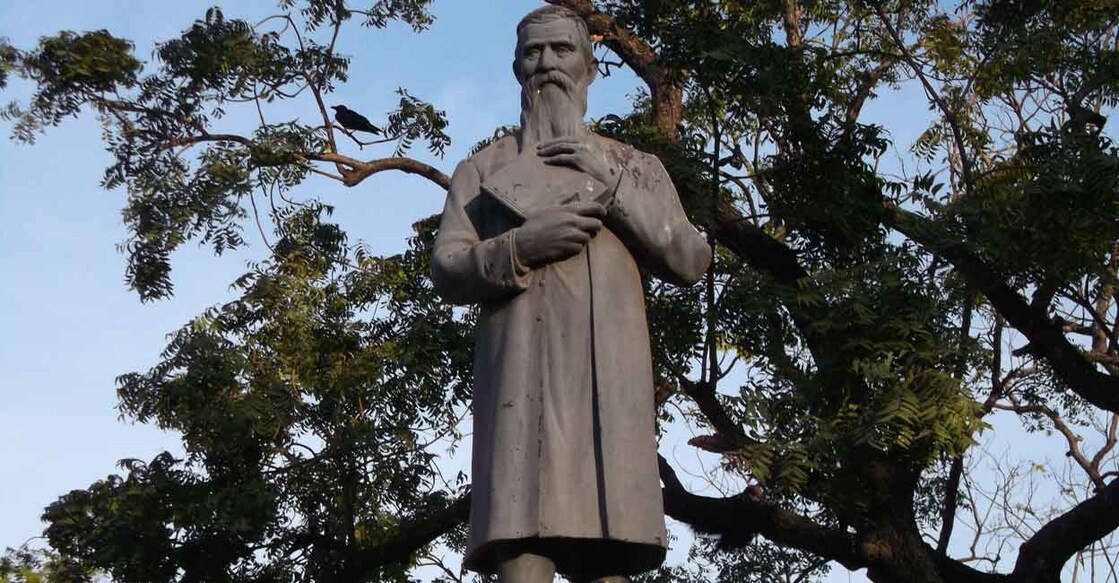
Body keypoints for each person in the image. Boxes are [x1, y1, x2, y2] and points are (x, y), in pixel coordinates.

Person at [431, 6, 711, 582]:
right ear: (517, 68)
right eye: (534, 53)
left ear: (589, 66)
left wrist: (612, 188)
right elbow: (448, 269)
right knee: (521, 557)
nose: (547, 64)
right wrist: (520, 246)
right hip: (519, 390)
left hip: (610, 395)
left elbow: (690, 259)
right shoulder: (481, 170)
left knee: (607, 558)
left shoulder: (636, 166)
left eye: (562, 51)